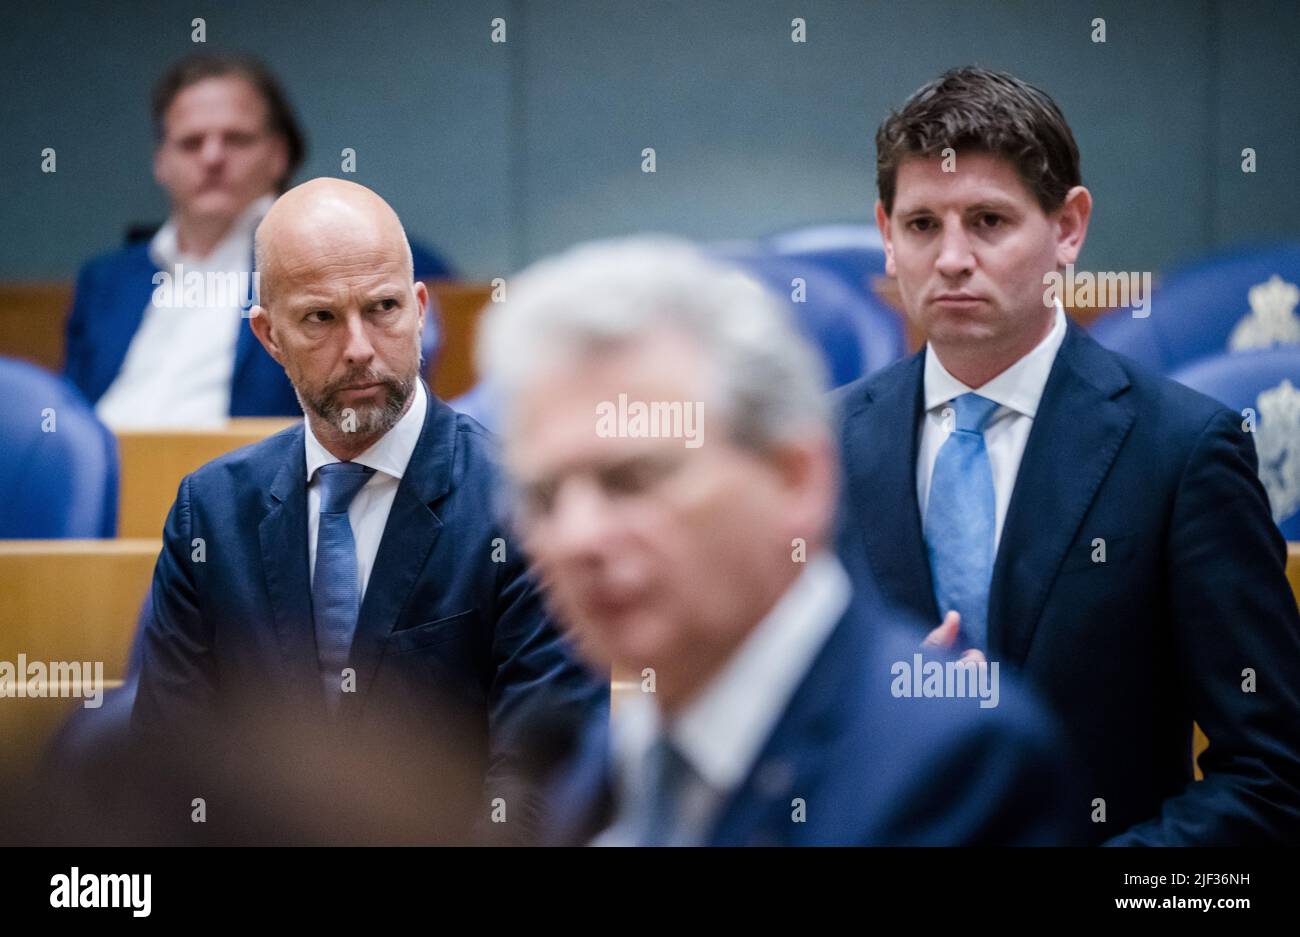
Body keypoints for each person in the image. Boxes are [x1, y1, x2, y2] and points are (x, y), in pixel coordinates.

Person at [478, 236, 1084, 846]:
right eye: (544, 497)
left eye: (633, 479)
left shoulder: (956, 765)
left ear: (797, 478)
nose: (578, 538)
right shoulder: (588, 756)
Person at [837, 66, 1300, 844]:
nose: (951, 258)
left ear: (1069, 228)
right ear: (886, 233)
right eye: (922, 225)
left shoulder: (1183, 451)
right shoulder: (816, 450)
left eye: (987, 220)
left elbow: (1272, 778)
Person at [129, 177, 603, 842]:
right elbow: (168, 769)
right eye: (320, 317)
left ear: (418, 310)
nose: (358, 346)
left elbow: (537, 787)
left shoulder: (522, 501)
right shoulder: (210, 512)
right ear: (269, 336)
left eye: (381, 308)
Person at [62, 53, 452, 428]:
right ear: (161, 161)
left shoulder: (348, 255)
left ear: (279, 154)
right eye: (191, 142)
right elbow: (73, 410)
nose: (212, 157)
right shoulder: (106, 280)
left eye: (236, 139)